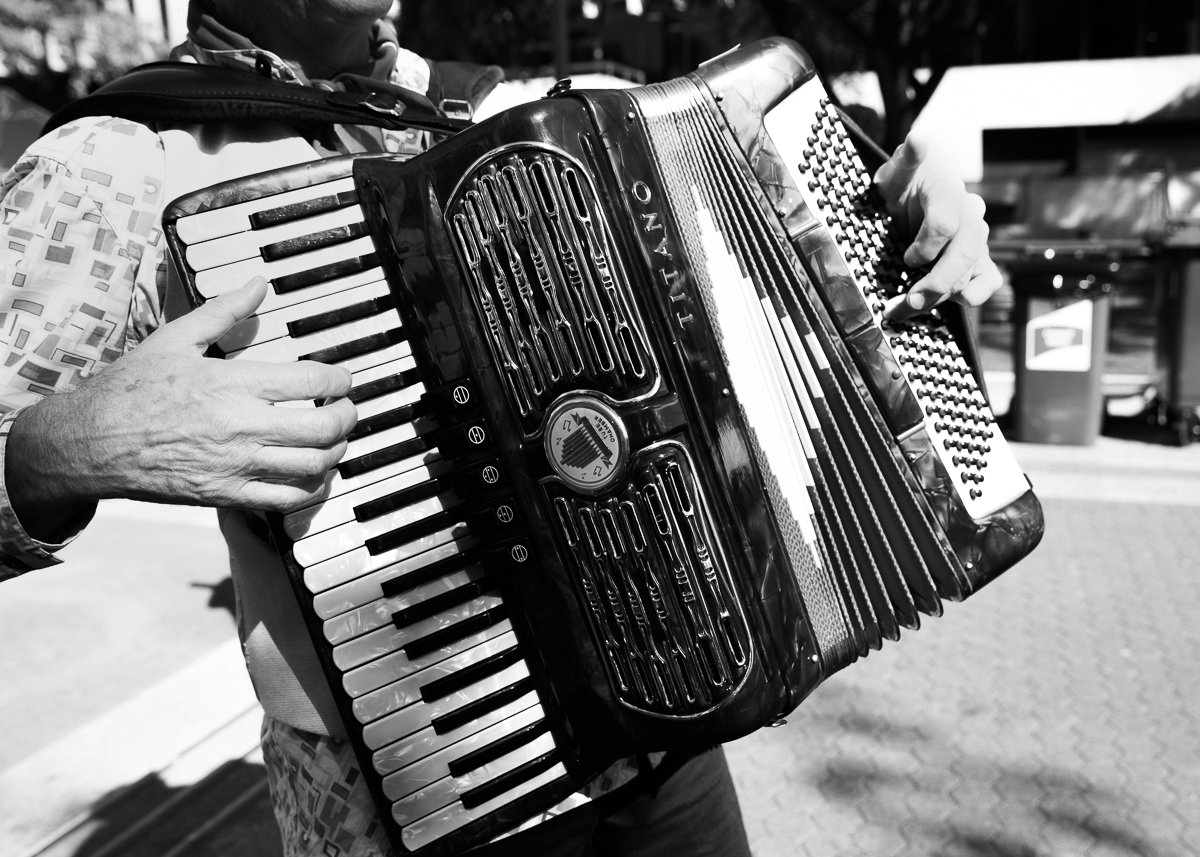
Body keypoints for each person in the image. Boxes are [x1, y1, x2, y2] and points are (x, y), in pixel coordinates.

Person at [0, 1, 1002, 855]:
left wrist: (891, 218)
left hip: (673, 707)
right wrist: (55, 449)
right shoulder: (112, 165)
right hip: (407, 770)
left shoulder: (478, 108)